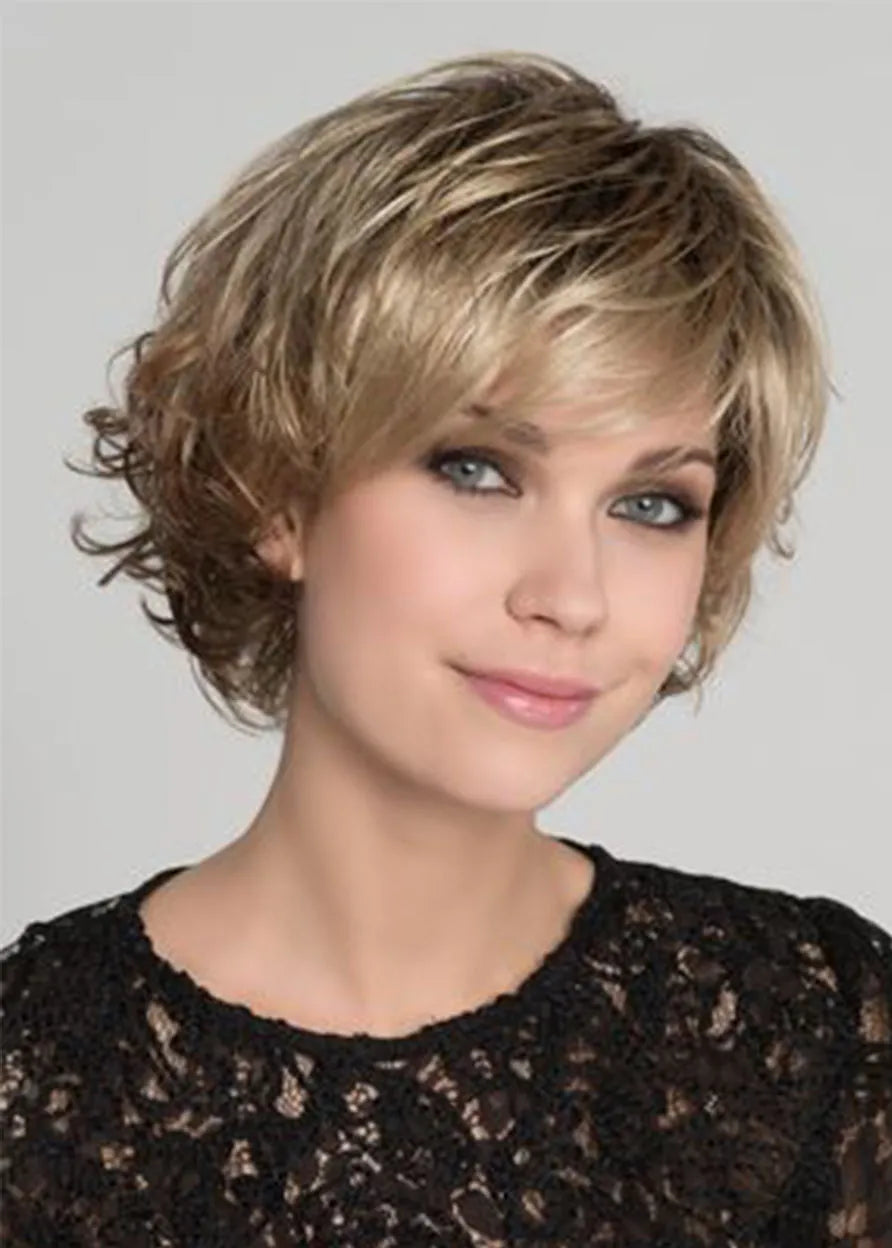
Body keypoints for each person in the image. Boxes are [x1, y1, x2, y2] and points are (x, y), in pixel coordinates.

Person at [2, 48, 889, 1247]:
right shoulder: (28, 1086)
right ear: (278, 489)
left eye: (650, 504)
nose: (571, 596)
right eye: (477, 470)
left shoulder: (814, 1036)